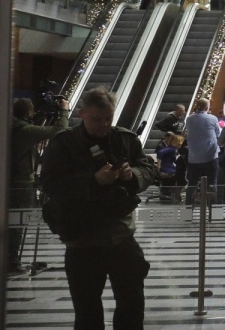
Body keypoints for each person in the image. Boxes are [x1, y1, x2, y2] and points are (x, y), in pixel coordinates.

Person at [41, 87, 158, 329]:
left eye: (108, 118)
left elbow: (147, 169)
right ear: (82, 114)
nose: (104, 124)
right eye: (97, 119)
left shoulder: (124, 139)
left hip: (121, 236)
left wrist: (131, 175)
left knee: (132, 305)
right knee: (87, 311)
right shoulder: (64, 143)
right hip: (82, 240)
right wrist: (93, 181)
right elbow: (50, 185)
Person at [9, 96, 70, 271]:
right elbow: (59, 130)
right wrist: (64, 110)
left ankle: (9, 260)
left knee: (12, 222)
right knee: (18, 223)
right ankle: (12, 263)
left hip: (12, 180)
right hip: (20, 183)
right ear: (29, 111)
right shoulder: (25, 130)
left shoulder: (12, 127)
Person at [183, 98, 221, 204]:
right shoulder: (212, 118)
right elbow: (218, 133)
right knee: (212, 183)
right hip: (210, 157)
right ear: (206, 107)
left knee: (192, 184)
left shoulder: (189, 119)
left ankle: (189, 208)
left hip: (194, 158)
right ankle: (212, 209)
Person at [156, 133, 183, 201]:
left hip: (168, 168)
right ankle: (175, 193)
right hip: (167, 170)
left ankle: (169, 192)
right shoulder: (172, 149)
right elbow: (160, 153)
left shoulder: (171, 149)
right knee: (182, 176)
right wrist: (159, 165)